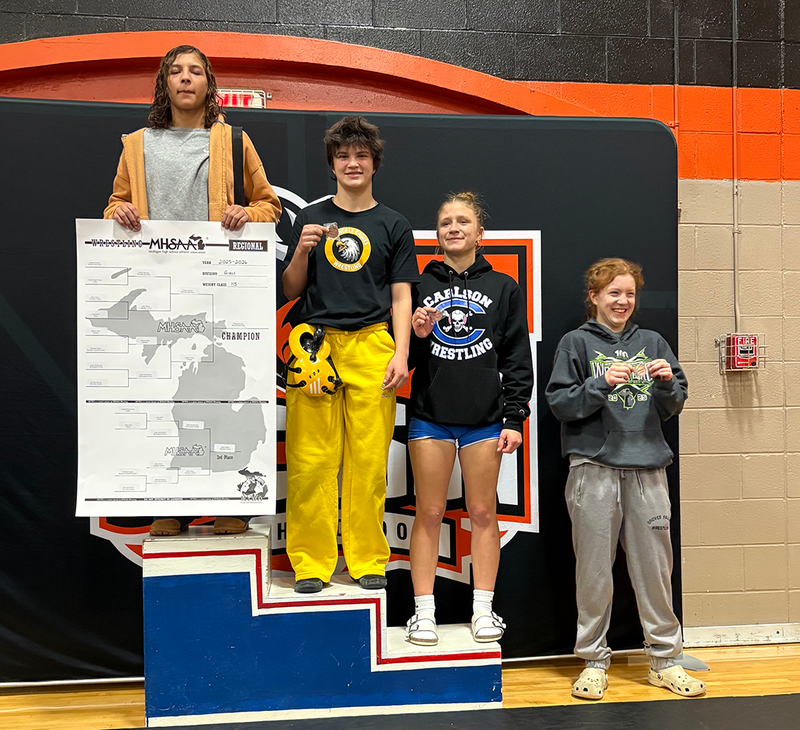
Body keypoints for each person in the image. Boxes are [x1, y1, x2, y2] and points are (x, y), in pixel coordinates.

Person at [104, 44, 282, 537]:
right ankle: (171, 503)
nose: (186, 79)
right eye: (176, 72)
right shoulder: (137, 144)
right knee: (167, 395)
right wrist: (117, 213)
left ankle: (229, 501)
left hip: (217, 288)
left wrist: (246, 213)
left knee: (222, 390)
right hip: (158, 287)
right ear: (164, 83)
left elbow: (269, 206)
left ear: (209, 83)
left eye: (196, 71)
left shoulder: (234, 140)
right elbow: (114, 206)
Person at [545, 258, 705, 700]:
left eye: (630, 293)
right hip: (592, 469)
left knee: (656, 571)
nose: (622, 301)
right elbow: (559, 403)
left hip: (648, 468)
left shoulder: (653, 341)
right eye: (613, 293)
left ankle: (665, 662)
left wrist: (669, 381)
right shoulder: (575, 343)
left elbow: (675, 400)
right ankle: (594, 662)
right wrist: (600, 384)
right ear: (594, 297)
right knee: (594, 572)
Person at [281, 116, 419, 593]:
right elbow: (291, 287)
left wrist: (401, 353)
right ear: (332, 164)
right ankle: (311, 563)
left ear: (374, 163)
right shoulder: (311, 217)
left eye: (361, 155)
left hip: (371, 345)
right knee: (310, 461)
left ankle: (366, 559)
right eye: (343, 156)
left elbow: (402, 297)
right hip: (315, 345)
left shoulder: (394, 224)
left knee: (367, 461)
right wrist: (301, 250)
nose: (352, 163)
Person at [404, 192, 533, 646]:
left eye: (462, 221)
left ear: (480, 233)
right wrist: (418, 335)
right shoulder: (418, 286)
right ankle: (423, 613)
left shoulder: (504, 288)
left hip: (483, 418)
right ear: (436, 234)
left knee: (482, 511)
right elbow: (408, 358)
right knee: (430, 511)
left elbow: (517, 356)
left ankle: (483, 609)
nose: (453, 227)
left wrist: (514, 417)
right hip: (430, 416)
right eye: (445, 222)